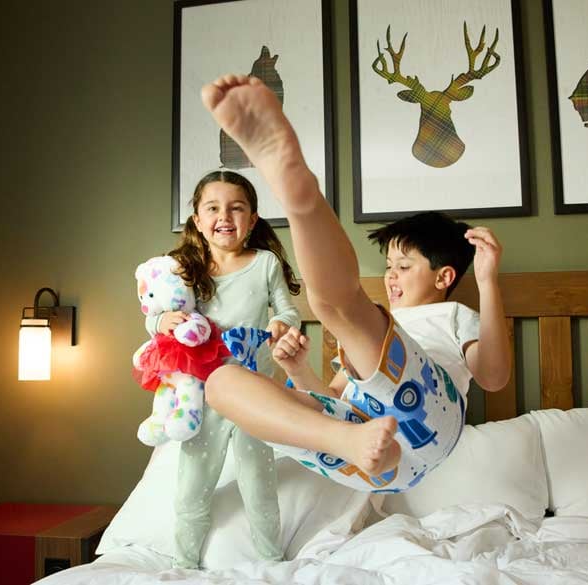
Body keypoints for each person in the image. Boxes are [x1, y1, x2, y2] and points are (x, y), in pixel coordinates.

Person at [199, 74, 512, 493]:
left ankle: (301, 199)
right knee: (219, 383)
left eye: (403, 266)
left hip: (431, 424)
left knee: (339, 310)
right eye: (388, 266)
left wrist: (488, 281)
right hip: (368, 453)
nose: (390, 276)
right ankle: (344, 439)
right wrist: (297, 370)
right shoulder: (369, 335)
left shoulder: (451, 316)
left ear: (444, 277)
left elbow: (492, 377)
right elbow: (331, 399)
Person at [153, 169, 301, 568]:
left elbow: (288, 310)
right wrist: (159, 323)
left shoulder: (265, 263)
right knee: (192, 487)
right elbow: (157, 311)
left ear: (252, 219)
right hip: (205, 397)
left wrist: (280, 324)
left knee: (259, 485)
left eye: (237, 209)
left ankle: (273, 563)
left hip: (255, 394)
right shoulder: (182, 269)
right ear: (198, 221)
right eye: (213, 208)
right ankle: (183, 566)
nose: (225, 217)